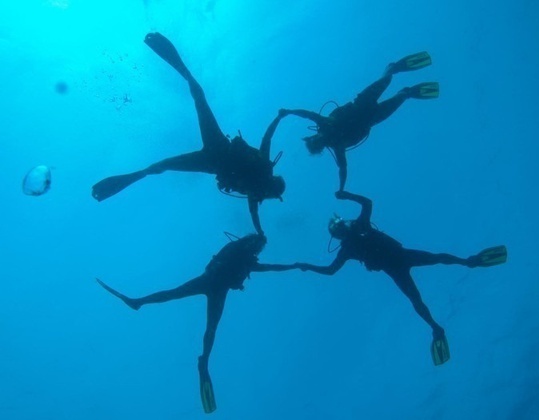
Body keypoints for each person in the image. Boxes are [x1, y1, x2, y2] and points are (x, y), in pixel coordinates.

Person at [91, 33, 286, 234]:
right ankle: (177, 65)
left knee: (197, 103)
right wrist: (279, 118)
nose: (268, 193)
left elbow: (266, 140)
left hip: (213, 156)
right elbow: (267, 139)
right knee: (168, 157)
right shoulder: (261, 173)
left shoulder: (257, 186)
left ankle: (130, 177)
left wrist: (280, 118)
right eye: (272, 192)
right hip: (214, 156)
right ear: (273, 187)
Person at [294, 191, 507, 365]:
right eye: (339, 228)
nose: (342, 229)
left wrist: (308, 267)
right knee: (423, 284)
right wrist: (308, 266)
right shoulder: (350, 243)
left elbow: (367, 204)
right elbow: (331, 270)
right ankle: (437, 325)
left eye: (340, 225)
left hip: (397, 262)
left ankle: (468, 264)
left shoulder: (356, 233)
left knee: (434, 264)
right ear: (338, 233)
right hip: (397, 264)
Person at [96, 233, 299, 414]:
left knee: (208, 325)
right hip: (211, 283)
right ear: (249, 241)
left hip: (216, 288)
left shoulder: (246, 259)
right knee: (176, 296)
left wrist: (296, 265)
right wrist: (296, 265)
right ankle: (138, 302)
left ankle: (204, 361)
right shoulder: (238, 250)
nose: (258, 248)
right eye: (257, 244)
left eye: (259, 247)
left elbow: (271, 267)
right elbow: (265, 264)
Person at [280, 51, 439, 191]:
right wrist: (341, 188)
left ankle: (392, 67)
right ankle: (407, 91)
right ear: (322, 148)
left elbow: (308, 114)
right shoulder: (337, 145)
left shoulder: (324, 124)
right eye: (318, 145)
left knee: (387, 78)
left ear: (312, 136)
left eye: (314, 140)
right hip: (373, 118)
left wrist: (289, 112)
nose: (319, 140)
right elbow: (342, 168)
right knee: (403, 95)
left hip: (363, 102)